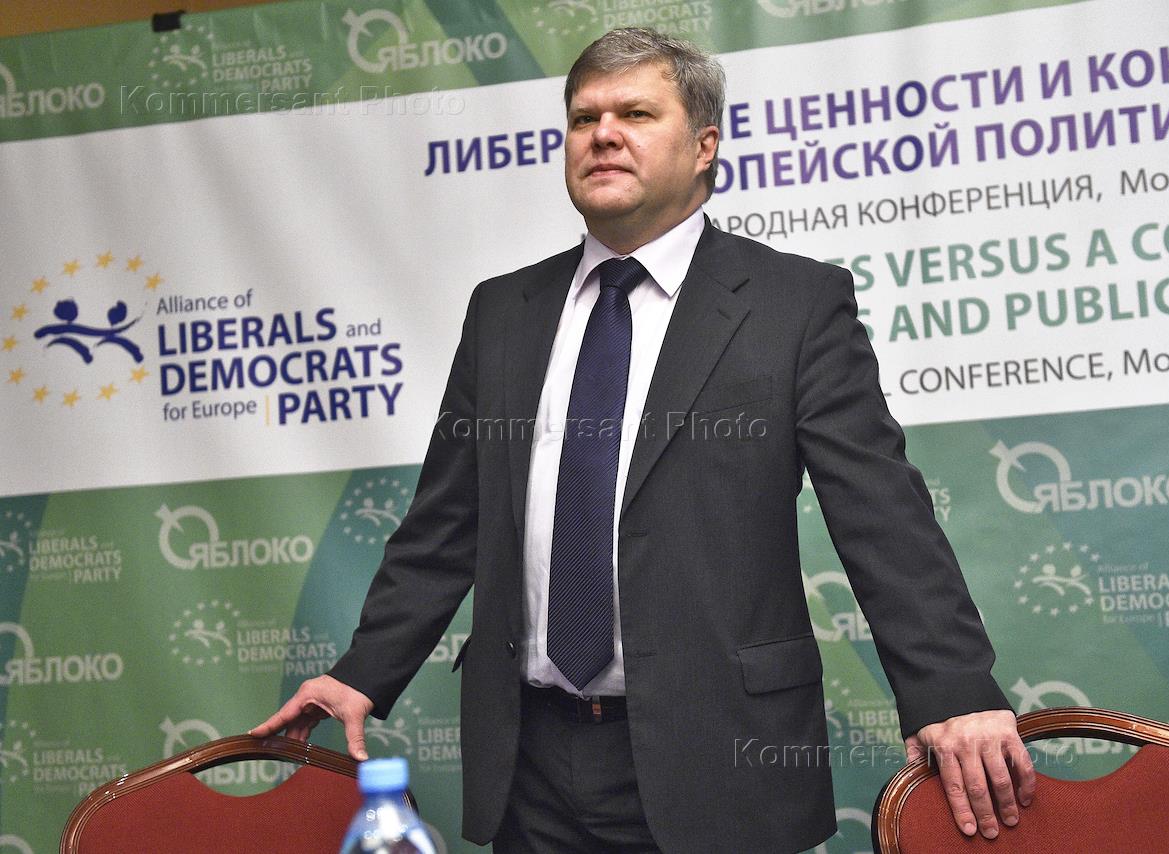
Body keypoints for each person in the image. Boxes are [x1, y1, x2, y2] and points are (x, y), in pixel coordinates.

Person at [253, 27, 1035, 853]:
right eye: (583, 118)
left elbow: (881, 513)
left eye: (634, 113)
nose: (603, 135)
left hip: (721, 756)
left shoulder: (794, 305)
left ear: (704, 146)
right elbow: (447, 523)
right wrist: (362, 672)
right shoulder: (503, 313)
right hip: (531, 765)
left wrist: (951, 688)